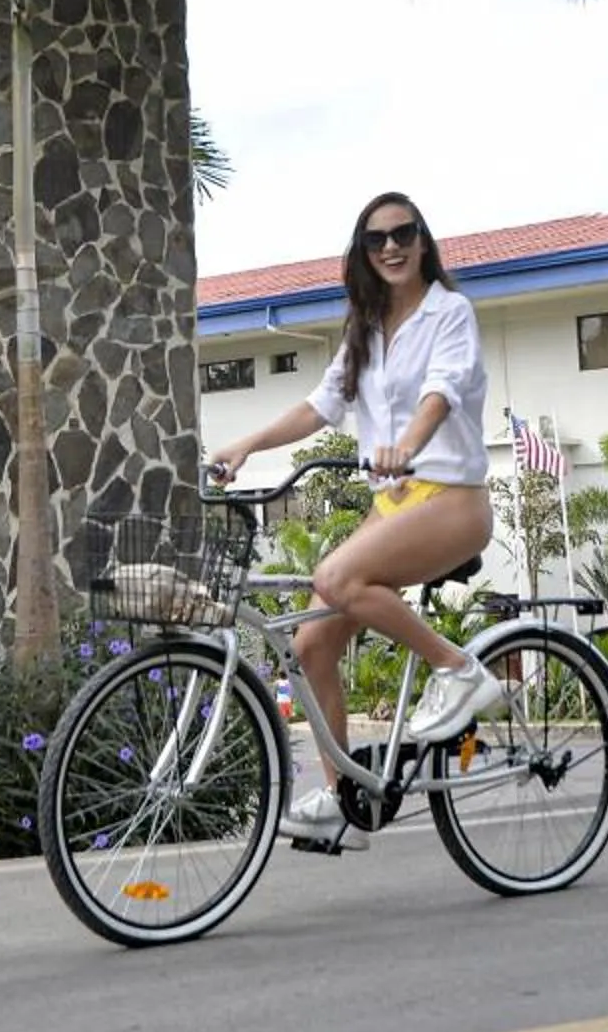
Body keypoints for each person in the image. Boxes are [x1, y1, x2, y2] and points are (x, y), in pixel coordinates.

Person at [209, 191, 504, 851]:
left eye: (403, 234)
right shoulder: (365, 330)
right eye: (377, 240)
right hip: (395, 504)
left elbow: (442, 392)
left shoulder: (449, 314)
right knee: (312, 647)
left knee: (336, 575)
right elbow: (320, 407)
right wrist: (245, 445)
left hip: (451, 498)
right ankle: (346, 798)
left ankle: (459, 670)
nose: (392, 247)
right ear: (364, 254)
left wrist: (409, 443)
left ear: (423, 241)